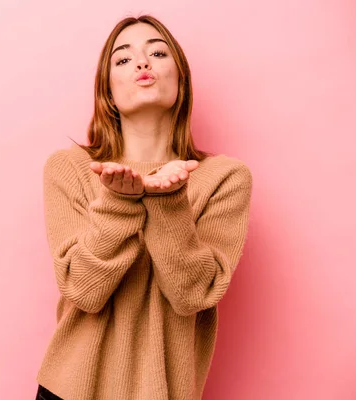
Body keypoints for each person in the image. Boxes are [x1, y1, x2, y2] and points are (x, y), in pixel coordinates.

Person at [35, 14, 253, 400]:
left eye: (157, 52)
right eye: (123, 59)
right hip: (69, 390)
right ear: (107, 91)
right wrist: (120, 201)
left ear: (180, 80)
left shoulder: (225, 178)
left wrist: (168, 202)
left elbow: (192, 294)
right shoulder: (70, 168)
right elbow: (82, 290)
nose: (142, 62)